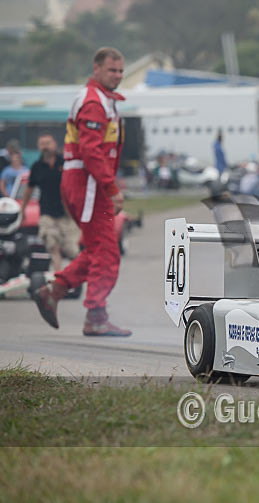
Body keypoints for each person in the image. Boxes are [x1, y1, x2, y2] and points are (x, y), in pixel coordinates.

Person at [32, 46, 131, 337]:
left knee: (97, 251)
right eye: (112, 70)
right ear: (96, 69)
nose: (117, 75)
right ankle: (96, 316)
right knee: (108, 254)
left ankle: (55, 290)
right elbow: (90, 151)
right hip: (88, 186)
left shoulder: (102, 100)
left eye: (121, 70)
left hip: (86, 184)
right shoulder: (93, 102)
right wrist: (112, 189)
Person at [20, 133, 80, 271]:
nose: (45, 147)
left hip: (68, 214)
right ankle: (58, 278)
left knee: (72, 250)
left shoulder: (65, 162)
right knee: (52, 246)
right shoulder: (37, 166)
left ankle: (76, 279)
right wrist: (23, 210)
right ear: (38, 147)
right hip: (47, 213)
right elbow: (29, 189)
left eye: (48, 143)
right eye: (42, 144)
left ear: (55, 145)